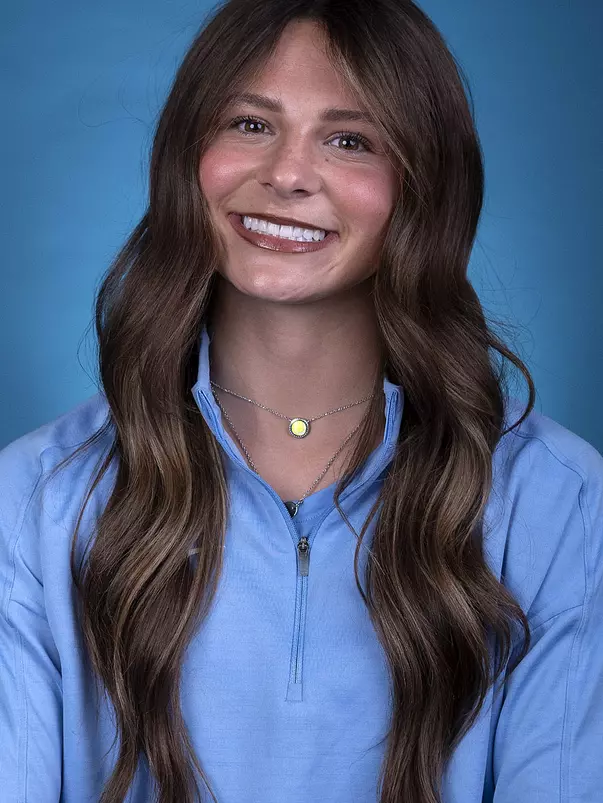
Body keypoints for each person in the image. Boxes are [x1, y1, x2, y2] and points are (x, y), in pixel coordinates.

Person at [1, 1, 601, 801]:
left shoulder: (560, 502)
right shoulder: (33, 497)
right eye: (249, 124)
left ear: (423, 184)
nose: (286, 173)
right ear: (187, 155)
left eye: (348, 139)